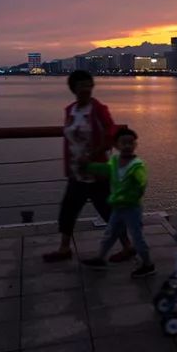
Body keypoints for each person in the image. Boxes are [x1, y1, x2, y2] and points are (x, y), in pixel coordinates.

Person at [43, 70, 133, 263]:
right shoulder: (70, 110)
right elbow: (71, 138)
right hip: (77, 173)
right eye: (81, 85)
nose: (85, 89)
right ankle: (64, 248)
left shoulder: (98, 109)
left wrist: (91, 156)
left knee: (108, 211)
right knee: (68, 210)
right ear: (73, 88)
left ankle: (128, 246)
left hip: (96, 173)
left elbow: (111, 134)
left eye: (88, 84)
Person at [81, 127, 155, 278]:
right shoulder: (114, 161)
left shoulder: (137, 165)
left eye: (130, 143)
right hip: (117, 207)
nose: (127, 146)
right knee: (110, 234)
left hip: (132, 208)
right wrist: (88, 167)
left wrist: (135, 193)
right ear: (116, 145)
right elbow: (104, 169)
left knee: (137, 237)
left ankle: (148, 265)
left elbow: (142, 181)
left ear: (135, 145)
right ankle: (100, 258)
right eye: (123, 143)